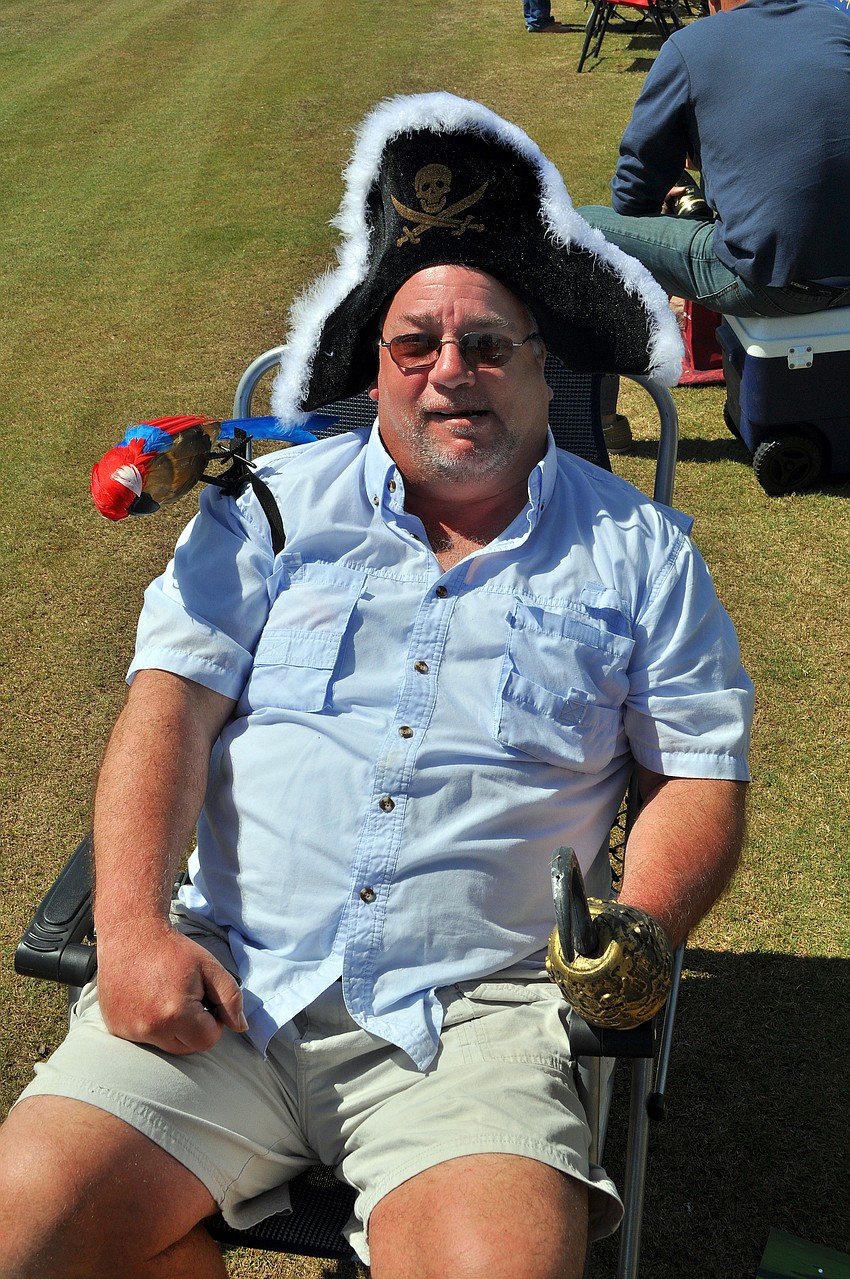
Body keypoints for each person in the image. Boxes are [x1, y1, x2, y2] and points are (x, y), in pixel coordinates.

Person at [0, 93, 753, 1279]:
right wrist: (134, 928)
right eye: (418, 345)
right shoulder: (266, 508)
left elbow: (698, 774)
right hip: (226, 981)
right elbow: (166, 709)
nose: (452, 372)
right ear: (380, 368)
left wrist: (642, 927)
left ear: (540, 363)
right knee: (19, 1236)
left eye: (488, 343)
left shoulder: (641, 552)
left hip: (474, 1020)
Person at [578, 0, 850, 319]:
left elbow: (631, 196)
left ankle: (636, 352)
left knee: (582, 222)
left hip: (773, 284)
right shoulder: (837, 24)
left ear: (713, 2)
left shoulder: (689, 43)